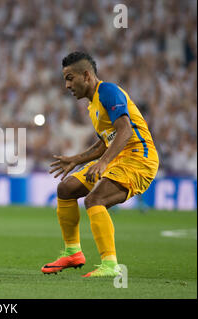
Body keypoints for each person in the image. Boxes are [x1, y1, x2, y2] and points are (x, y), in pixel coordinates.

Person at [41, 52, 159, 277]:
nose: (66, 85)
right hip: (119, 156)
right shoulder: (93, 105)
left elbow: (125, 130)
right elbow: (107, 142)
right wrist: (77, 159)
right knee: (66, 189)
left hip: (139, 158)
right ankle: (73, 252)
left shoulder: (108, 92)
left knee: (95, 199)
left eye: (69, 78)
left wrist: (103, 163)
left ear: (86, 75)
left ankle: (110, 265)